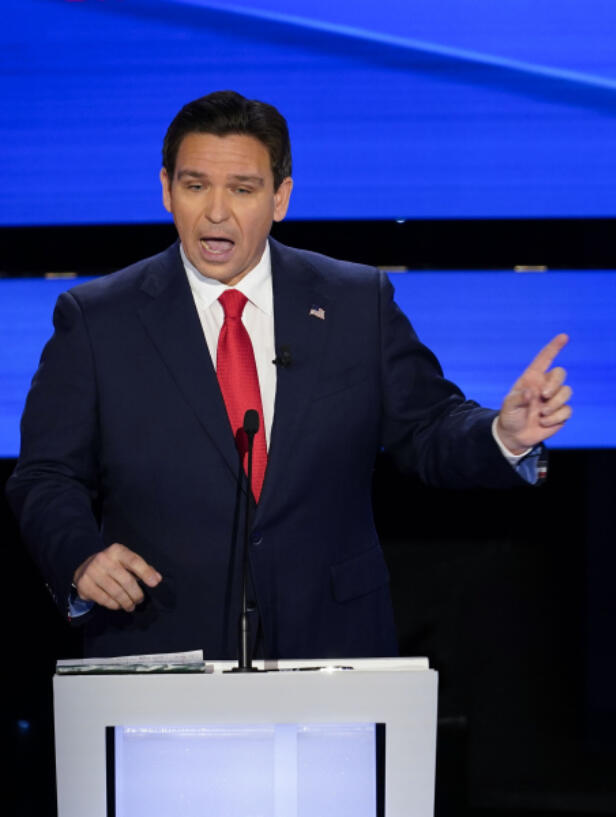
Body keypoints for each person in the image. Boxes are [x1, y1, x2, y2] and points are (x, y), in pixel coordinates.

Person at [7, 90, 572, 660]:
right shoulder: (99, 318)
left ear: (280, 198)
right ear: (166, 190)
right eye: (195, 185)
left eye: (243, 189)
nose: (216, 212)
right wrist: (80, 558)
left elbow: (427, 428)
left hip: (330, 645)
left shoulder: (356, 303)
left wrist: (503, 433)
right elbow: (46, 475)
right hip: (161, 644)